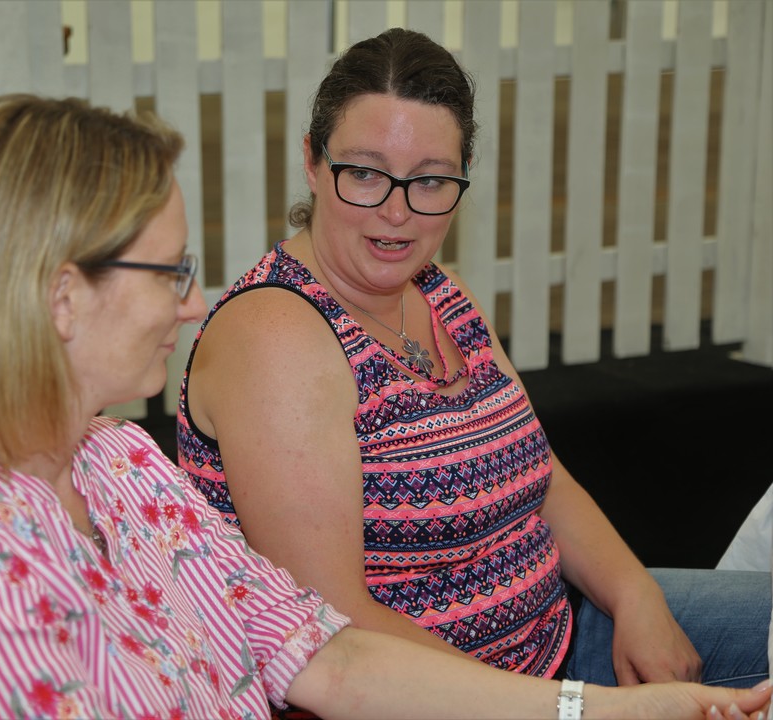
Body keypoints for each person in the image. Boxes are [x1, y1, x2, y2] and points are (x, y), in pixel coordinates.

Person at [0, 93, 772, 720]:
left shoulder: (117, 463)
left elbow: (327, 657)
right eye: (171, 273)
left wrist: (594, 710)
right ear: (63, 298)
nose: (196, 304)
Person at [176, 25, 771, 700]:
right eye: (365, 173)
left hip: (560, 642)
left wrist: (635, 594)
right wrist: (576, 710)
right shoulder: (276, 335)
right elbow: (335, 624)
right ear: (313, 162)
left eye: (430, 180)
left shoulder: (439, 292)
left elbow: (541, 477)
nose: (397, 212)